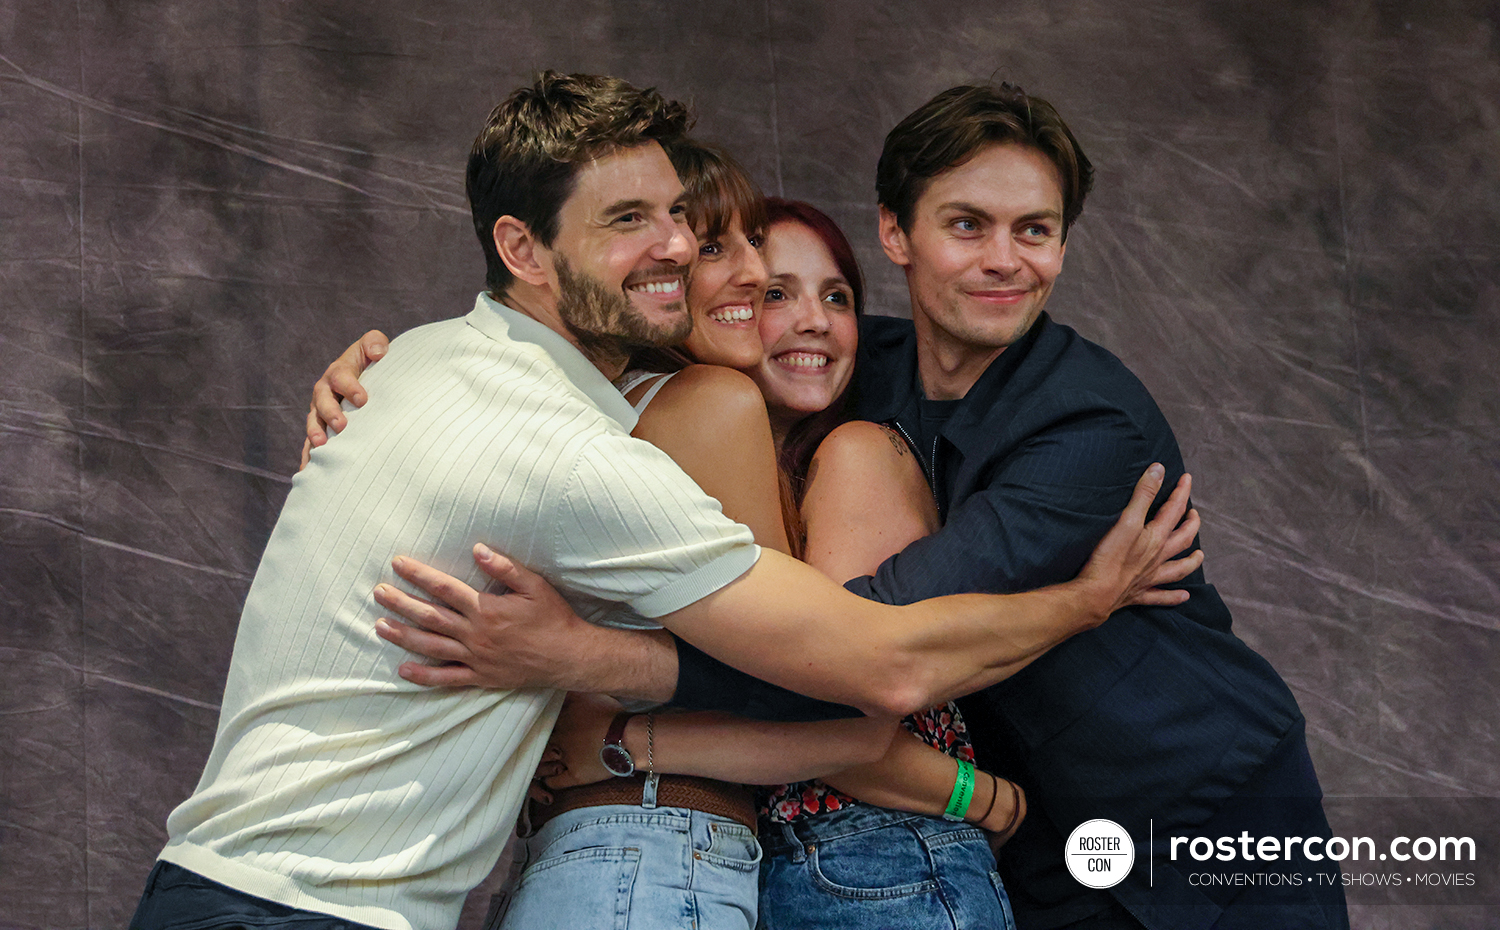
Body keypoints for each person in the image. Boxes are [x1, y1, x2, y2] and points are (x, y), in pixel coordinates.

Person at [130, 72, 1200, 930]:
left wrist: (588, 667)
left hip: (236, 883)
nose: (684, 250)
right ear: (523, 250)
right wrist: (1088, 599)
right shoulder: (577, 452)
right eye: (631, 222)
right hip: (369, 900)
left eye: (682, 218)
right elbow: (879, 672)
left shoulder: (416, 361)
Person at [366, 83, 1349, 930]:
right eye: (968, 224)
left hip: (1194, 808)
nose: (1004, 259)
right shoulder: (836, 364)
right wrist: (381, 373)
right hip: (1025, 829)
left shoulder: (1089, 433)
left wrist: (610, 698)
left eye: (1034, 230)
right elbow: (599, 319)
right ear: (897, 233)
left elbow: (851, 654)